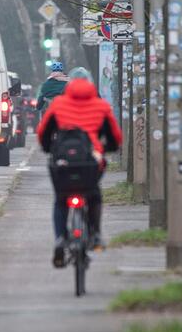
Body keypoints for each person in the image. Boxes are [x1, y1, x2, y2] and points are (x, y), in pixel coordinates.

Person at [37, 69, 123, 267]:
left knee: (60, 199)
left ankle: (60, 238)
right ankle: (95, 234)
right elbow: (115, 137)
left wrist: (48, 148)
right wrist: (108, 148)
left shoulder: (58, 104)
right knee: (93, 195)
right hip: (90, 162)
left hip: (63, 162)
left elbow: (43, 133)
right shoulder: (100, 105)